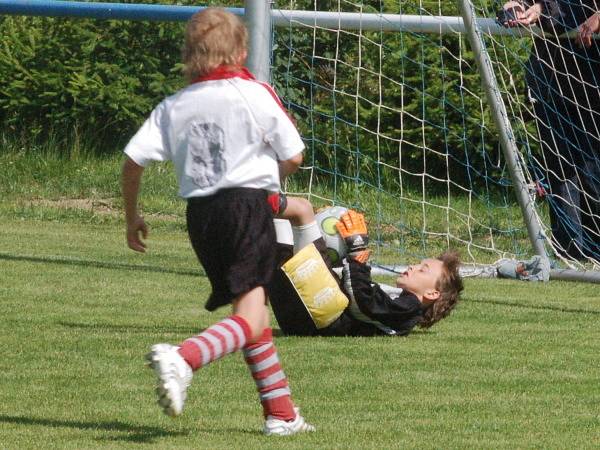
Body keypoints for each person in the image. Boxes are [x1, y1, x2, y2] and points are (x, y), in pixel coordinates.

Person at [121, 8, 314, 436]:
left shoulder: (174, 105)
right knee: (251, 314)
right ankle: (185, 357)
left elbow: (133, 161)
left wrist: (132, 216)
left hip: (202, 217)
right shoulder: (254, 93)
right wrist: (271, 182)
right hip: (247, 208)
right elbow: (295, 155)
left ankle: (281, 413)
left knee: (251, 310)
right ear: (242, 50)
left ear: (189, 55)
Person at [269, 198, 464, 337]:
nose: (413, 266)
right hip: (302, 317)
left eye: (423, 269)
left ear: (432, 293)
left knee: (302, 210)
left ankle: (246, 199)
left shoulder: (408, 310)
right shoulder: (402, 305)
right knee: (280, 225)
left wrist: (357, 251)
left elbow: (362, 301)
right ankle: (252, 202)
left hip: (318, 318)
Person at [499, 1, 600, 260]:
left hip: (593, 73)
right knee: (560, 164)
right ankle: (571, 250)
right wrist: (517, 7)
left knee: (592, 166)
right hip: (551, 76)